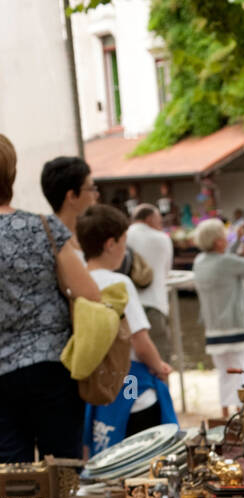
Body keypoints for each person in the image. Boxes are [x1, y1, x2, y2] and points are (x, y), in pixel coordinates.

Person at [0, 134, 102, 461]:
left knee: (9, 476)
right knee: (62, 469)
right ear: (12, 175)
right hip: (51, 366)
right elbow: (89, 294)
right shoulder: (44, 227)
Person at [77, 204, 175, 452]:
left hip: (99, 383)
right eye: (124, 241)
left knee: (107, 451)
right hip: (131, 382)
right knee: (143, 459)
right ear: (110, 244)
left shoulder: (76, 282)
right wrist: (160, 367)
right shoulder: (119, 284)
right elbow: (140, 343)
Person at [193, 216, 244, 414]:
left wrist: (236, 241)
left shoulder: (200, 261)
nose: (226, 239)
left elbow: (220, 259)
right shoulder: (226, 262)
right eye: (223, 237)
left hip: (214, 330)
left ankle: (226, 414)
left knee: (225, 375)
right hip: (237, 327)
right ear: (217, 241)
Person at [126, 204, 174, 361]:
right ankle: (160, 385)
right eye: (159, 220)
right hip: (155, 303)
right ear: (149, 219)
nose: (161, 224)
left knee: (130, 361)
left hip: (126, 305)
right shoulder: (162, 239)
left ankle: (133, 386)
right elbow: (166, 270)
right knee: (159, 357)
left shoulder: (123, 236)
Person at [40, 155, 99, 248]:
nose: (97, 194)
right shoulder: (48, 245)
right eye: (91, 188)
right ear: (72, 196)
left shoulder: (90, 237)